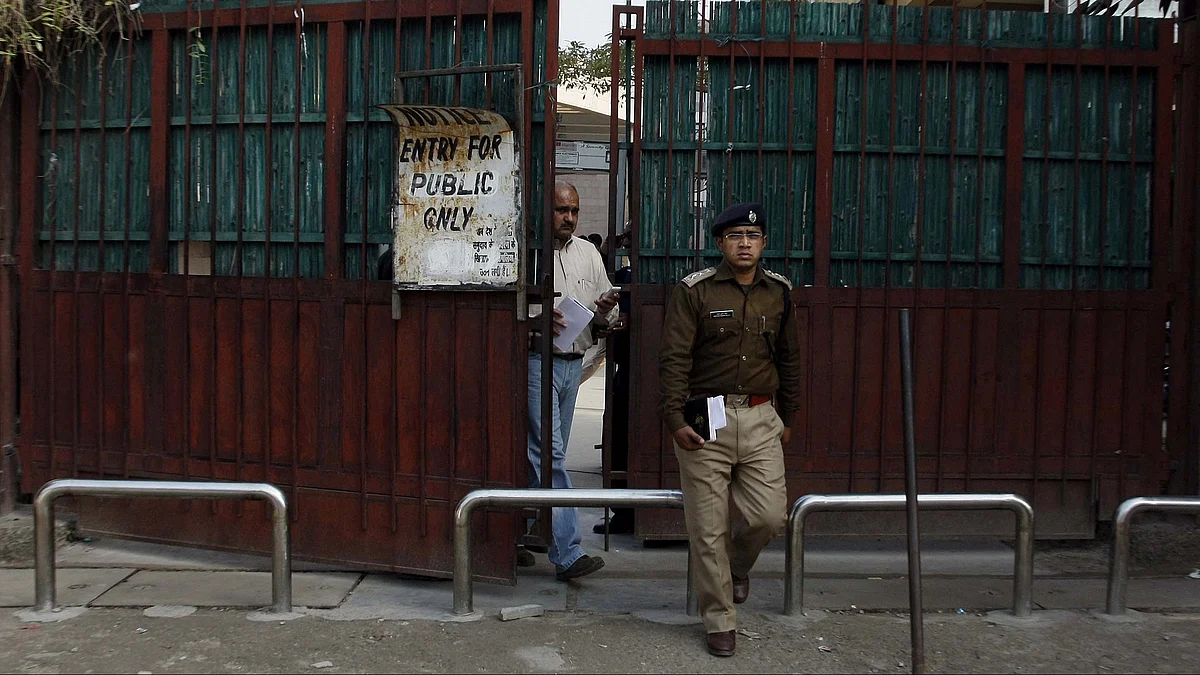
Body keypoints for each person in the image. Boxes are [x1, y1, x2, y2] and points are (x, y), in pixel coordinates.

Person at [656, 202, 802, 657]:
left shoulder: (778, 293)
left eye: (752, 237)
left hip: (760, 416)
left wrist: (789, 418)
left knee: (769, 516)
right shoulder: (694, 291)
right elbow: (674, 358)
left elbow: (790, 359)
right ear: (720, 243)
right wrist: (676, 419)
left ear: (762, 244)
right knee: (708, 528)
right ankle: (720, 618)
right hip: (705, 417)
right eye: (735, 236)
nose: (744, 244)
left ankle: (738, 568)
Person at [521, 180, 619, 581]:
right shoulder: (527, 254)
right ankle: (568, 553)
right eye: (563, 210)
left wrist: (604, 310)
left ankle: (526, 531)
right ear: (547, 211)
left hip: (573, 363)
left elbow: (603, 318)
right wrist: (535, 321)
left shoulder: (588, 253)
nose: (570, 218)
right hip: (537, 361)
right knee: (551, 453)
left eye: (575, 211)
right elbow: (503, 313)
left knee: (541, 453)